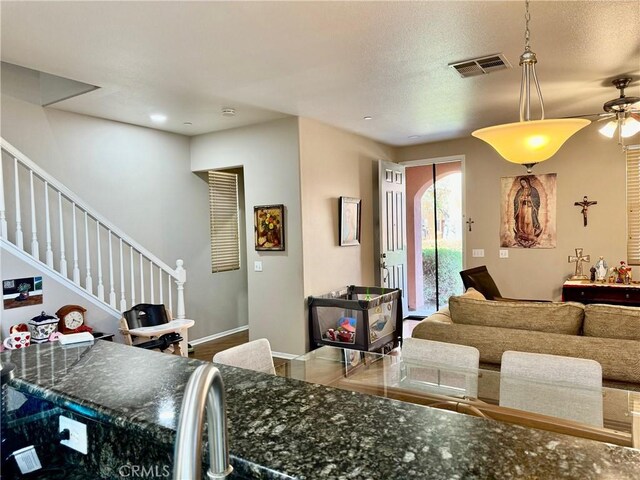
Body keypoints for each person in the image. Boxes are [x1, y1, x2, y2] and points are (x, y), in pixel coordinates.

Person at [513, 176, 542, 248]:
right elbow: (515, 200)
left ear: (527, 182)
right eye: (521, 183)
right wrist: (520, 199)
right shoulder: (520, 191)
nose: (523, 184)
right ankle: (522, 234)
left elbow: (537, 200)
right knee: (521, 221)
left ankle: (530, 234)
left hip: (529, 208)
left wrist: (529, 199)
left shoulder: (533, 190)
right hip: (522, 208)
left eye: (524, 182)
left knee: (529, 221)